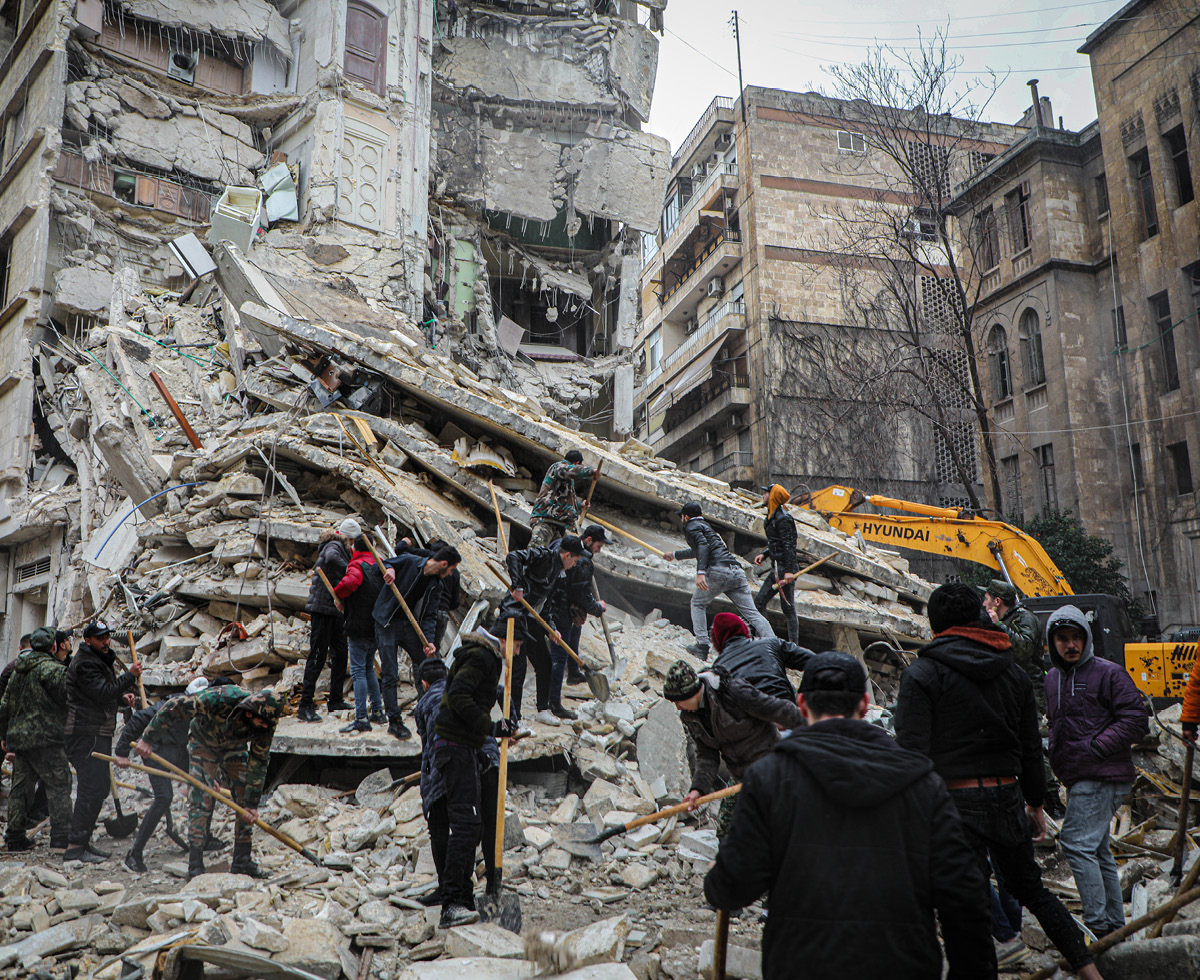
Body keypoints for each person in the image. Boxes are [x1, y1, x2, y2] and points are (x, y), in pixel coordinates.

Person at [705, 651, 995, 980]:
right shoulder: (921, 784)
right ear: (864, 704)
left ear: (800, 705)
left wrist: (718, 876)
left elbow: (733, 888)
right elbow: (964, 897)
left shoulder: (769, 778)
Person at [894, 583, 1100, 978]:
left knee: (966, 909)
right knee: (1034, 891)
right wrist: (1036, 803)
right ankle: (1092, 972)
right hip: (1007, 798)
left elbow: (911, 756)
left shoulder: (921, 674)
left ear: (935, 625)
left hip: (953, 807)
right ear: (980, 616)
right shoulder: (1013, 673)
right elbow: (1028, 747)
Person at [1045, 605, 1147, 939]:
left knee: (1075, 843)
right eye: (1062, 638)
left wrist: (1097, 748)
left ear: (1087, 639)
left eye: (1076, 637)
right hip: (1078, 776)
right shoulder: (1053, 679)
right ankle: (1115, 926)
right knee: (1097, 848)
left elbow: (1136, 718)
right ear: (1052, 641)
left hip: (1102, 774)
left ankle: (1099, 925)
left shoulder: (1108, 673)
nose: (1070, 645)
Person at [135, 686, 281, 880]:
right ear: (249, 712)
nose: (263, 727)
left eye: (267, 725)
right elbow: (173, 706)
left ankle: (242, 860)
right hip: (203, 743)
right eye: (260, 723)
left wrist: (252, 803)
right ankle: (195, 865)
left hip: (234, 747)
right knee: (200, 799)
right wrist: (148, 738)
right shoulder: (221, 698)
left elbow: (259, 762)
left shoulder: (266, 722)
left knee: (244, 799)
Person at [432, 631, 517, 928]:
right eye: (517, 646)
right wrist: (489, 727)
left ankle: (464, 900)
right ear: (506, 638)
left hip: (463, 747)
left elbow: (479, 698)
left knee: (472, 823)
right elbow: (457, 695)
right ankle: (451, 904)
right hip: (455, 748)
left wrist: (502, 726)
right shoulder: (482, 657)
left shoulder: (485, 659)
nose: (516, 653)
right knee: (467, 825)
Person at [663, 659, 801, 840]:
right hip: (740, 777)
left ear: (691, 692)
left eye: (678, 701)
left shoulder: (733, 692)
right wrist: (698, 789)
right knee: (726, 833)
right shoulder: (690, 716)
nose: (678, 707)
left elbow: (780, 710)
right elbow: (707, 755)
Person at [414, 657, 500, 909]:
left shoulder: (425, 703)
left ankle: (452, 894)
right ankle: (490, 888)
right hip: (489, 760)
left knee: (442, 827)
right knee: (479, 826)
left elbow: (429, 750)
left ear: (424, 683)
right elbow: (500, 695)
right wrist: (510, 726)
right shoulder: (467, 686)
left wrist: (430, 795)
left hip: (455, 759)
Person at [114, 677, 213, 872]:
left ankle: (205, 839)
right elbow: (137, 719)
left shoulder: (203, 708)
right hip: (155, 751)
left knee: (208, 785)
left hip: (177, 750)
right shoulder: (171, 705)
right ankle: (134, 855)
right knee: (164, 797)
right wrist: (121, 752)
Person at [63, 621, 142, 864]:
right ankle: (75, 847)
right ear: (87, 641)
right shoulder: (86, 663)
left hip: (96, 731)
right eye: (100, 638)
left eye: (107, 637)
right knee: (91, 787)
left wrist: (121, 697)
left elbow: (103, 694)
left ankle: (82, 841)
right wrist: (130, 676)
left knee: (98, 787)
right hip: (85, 733)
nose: (106, 641)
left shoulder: (97, 659)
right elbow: (100, 692)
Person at [985, 578, 1061, 815]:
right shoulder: (1003, 620)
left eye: (987, 598)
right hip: (1007, 689)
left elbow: (1024, 649)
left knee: (1032, 744)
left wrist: (999, 627)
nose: (983, 602)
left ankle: (1052, 799)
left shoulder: (1023, 618)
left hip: (1029, 690)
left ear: (997, 602)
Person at [664, 501, 772, 659]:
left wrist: (700, 572)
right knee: (753, 613)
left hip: (718, 572)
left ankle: (701, 646)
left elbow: (702, 547)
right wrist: (674, 555)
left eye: (682, 516)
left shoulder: (691, 527)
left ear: (686, 517)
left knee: (698, 603)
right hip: (736, 572)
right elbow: (700, 549)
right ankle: (774, 645)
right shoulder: (707, 528)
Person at [374, 545, 461, 740]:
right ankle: (394, 721)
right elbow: (381, 563)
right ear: (444, 564)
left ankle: (433, 712)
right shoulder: (409, 561)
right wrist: (390, 569)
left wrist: (428, 641)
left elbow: (429, 616)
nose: (451, 574)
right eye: (452, 570)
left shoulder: (436, 585)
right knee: (390, 672)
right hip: (386, 622)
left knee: (427, 665)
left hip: (409, 626)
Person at [494, 536, 582, 727]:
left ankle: (542, 710)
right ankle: (513, 721)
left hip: (533, 620)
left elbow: (546, 605)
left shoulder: (559, 574)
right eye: (574, 561)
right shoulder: (544, 556)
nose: (574, 565)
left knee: (545, 663)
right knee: (518, 669)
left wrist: (551, 628)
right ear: (567, 555)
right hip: (515, 615)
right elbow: (514, 557)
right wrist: (517, 586)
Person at [0, 627, 71, 853]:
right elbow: (68, 698)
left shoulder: (18, 671)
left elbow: (4, 706)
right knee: (59, 784)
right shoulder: (53, 669)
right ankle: (61, 838)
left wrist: (4, 735)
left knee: (20, 788)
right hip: (46, 738)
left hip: (20, 739)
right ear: (52, 647)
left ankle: (15, 837)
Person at [298, 518, 355, 722]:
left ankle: (336, 699)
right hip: (323, 609)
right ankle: (304, 705)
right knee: (318, 655)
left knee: (340, 654)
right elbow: (331, 559)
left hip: (336, 611)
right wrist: (351, 569)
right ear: (347, 537)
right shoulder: (334, 545)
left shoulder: (343, 548)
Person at [552, 524, 611, 712]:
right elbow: (582, 594)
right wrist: (597, 607)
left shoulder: (562, 544)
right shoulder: (584, 562)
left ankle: (574, 673)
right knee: (560, 653)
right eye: (598, 546)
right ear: (588, 540)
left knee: (576, 631)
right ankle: (553, 702)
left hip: (556, 600)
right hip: (562, 606)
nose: (599, 551)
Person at [333, 533, 386, 734]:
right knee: (369, 668)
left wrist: (338, 595)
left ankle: (361, 717)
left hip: (358, 624)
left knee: (357, 671)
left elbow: (349, 584)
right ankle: (378, 711)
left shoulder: (357, 565)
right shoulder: (379, 564)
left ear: (355, 547)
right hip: (376, 624)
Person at [710, 611, 814, 703]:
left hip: (752, 718)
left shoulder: (718, 667)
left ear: (716, 641)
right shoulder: (771, 643)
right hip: (786, 708)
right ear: (745, 629)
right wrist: (802, 697)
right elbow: (816, 661)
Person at [753, 485, 800, 643]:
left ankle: (793, 645)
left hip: (785, 568)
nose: (763, 495)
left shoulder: (784, 518)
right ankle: (766, 640)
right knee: (759, 601)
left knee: (788, 607)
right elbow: (775, 542)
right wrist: (764, 553)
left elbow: (789, 546)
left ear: (772, 496)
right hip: (776, 568)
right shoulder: (771, 516)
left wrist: (788, 571)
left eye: (766, 493)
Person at [529, 450, 600, 546]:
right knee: (536, 551)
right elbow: (570, 470)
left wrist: (580, 506)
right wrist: (590, 472)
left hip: (559, 525)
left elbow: (565, 501)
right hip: (545, 520)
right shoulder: (559, 467)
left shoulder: (567, 482)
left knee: (556, 557)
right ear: (577, 463)